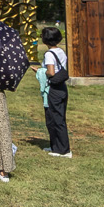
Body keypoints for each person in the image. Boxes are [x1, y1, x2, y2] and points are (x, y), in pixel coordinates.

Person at [38, 27, 71, 158]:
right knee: (55, 117)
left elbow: (51, 72)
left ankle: (63, 150)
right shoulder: (60, 51)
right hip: (61, 87)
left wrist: (40, 71)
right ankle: (55, 146)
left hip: (53, 89)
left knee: (55, 118)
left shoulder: (49, 54)